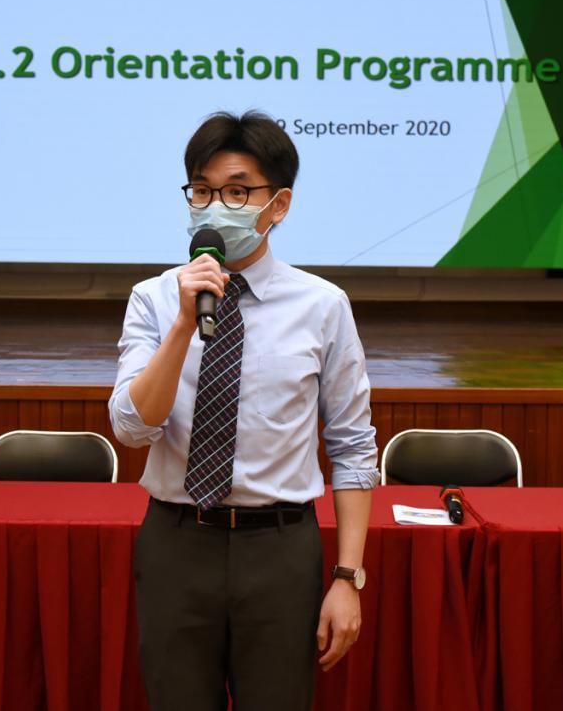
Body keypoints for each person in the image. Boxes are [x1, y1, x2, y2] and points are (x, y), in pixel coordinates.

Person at [109, 110, 378, 710]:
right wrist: (184, 323)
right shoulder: (154, 299)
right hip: (177, 542)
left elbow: (354, 448)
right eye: (201, 191)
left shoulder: (323, 305)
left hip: (279, 548)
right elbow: (131, 428)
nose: (214, 207)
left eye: (236, 193)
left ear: (278, 205)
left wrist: (347, 578)